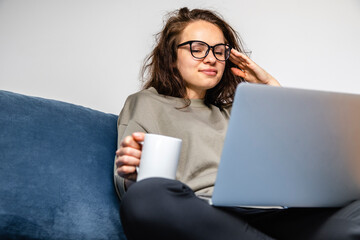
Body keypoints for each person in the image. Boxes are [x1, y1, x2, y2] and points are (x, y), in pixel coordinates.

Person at [114, 7, 360, 240]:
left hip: (272, 215)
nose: (211, 58)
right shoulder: (146, 103)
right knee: (144, 198)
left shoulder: (241, 109)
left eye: (219, 51)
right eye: (197, 49)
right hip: (203, 215)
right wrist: (134, 174)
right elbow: (127, 177)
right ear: (171, 58)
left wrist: (269, 88)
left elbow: (304, 156)